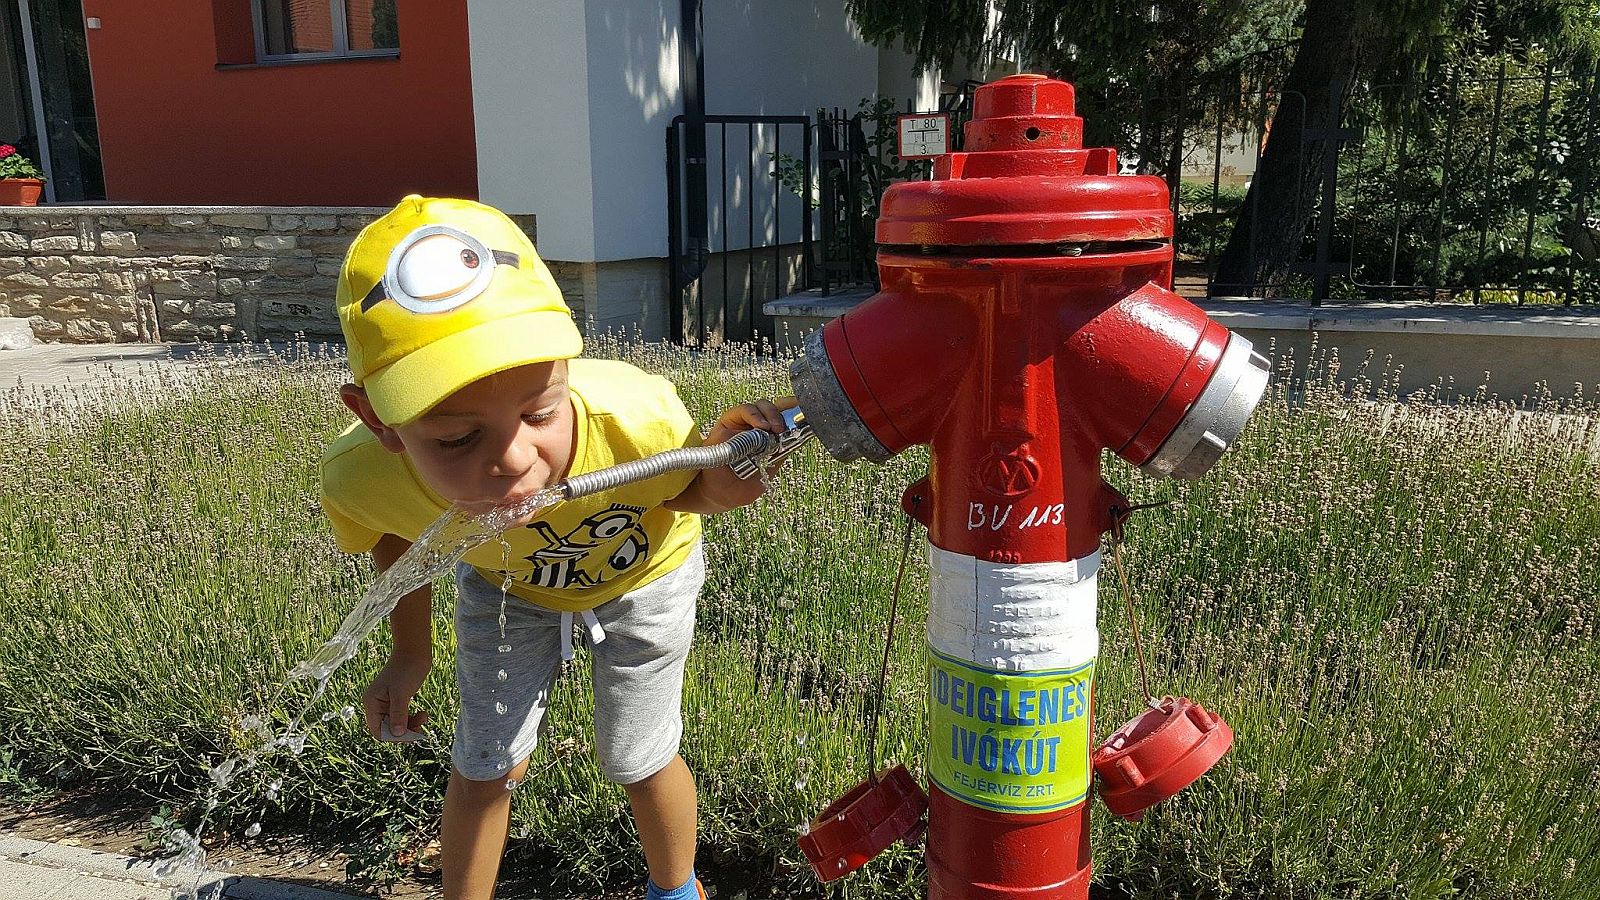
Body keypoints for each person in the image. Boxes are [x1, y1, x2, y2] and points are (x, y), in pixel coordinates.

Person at [318, 195, 791, 900]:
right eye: (457, 438)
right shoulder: (361, 476)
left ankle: (675, 890)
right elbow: (397, 536)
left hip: (643, 575)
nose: (513, 459)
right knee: (486, 761)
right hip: (508, 585)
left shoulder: (638, 417)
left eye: (540, 412)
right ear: (377, 420)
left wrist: (726, 484)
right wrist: (410, 652)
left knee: (638, 756)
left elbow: (685, 492)